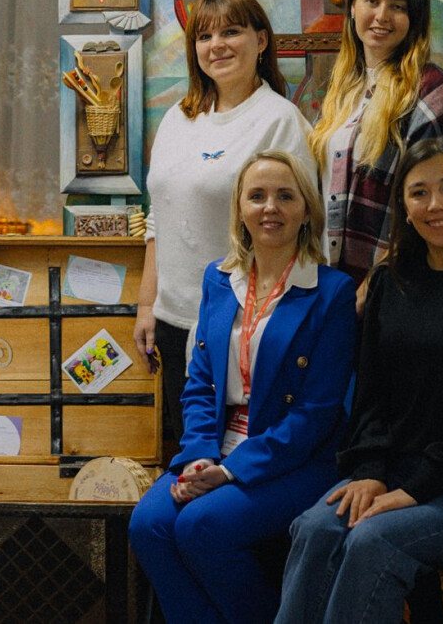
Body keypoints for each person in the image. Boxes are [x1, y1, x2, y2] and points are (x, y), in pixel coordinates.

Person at [274, 138, 443, 624]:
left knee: (373, 540)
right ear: (404, 208)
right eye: (419, 193)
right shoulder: (390, 280)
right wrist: (370, 469)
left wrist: (417, 488)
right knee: (315, 529)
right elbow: (370, 394)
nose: (436, 204)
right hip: (395, 470)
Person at [129, 151, 356, 624]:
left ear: (307, 211)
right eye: (257, 196)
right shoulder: (218, 279)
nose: (270, 207)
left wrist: (231, 472)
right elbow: (199, 383)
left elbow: (315, 414)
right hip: (216, 446)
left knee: (201, 525)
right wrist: (198, 456)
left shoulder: (332, 291)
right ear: (240, 209)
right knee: (149, 525)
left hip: (296, 458)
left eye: (285, 196)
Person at [135, 0, 317, 443]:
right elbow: (160, 216)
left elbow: (301, 228)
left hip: (243, 324)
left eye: (231, 32)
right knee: (190, 455)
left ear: (261, 40)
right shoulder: (179, 118)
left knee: (238, 460)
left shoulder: (280, 120)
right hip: (174, 322)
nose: (216, 45)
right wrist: (147, 305)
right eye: (204, 36)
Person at [309, 0, 443, 282]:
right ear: (353, 8)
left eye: (398, 6)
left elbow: (435, 208)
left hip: (395, 286)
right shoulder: (344, 90)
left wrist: (372, 287)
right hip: (332, 282)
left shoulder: (430, 92)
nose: (382, 16)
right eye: (372, 1)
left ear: (415, 17)